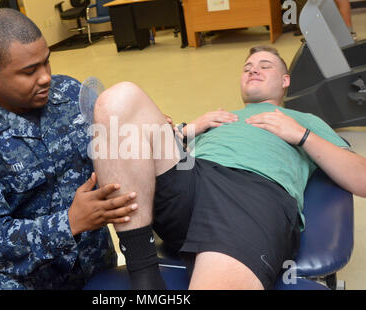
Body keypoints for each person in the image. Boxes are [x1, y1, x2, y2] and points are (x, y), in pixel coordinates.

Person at [91, 46, 366, 290]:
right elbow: (149, 156)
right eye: (247, 68)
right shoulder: (220, 118)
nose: (253, 70)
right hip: (195, 175)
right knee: (118, 100)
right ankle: (144, 275)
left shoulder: (304, 120)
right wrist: (187, 131)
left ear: (285, 81)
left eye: (264, 66)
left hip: (252, 191)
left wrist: (301, 135)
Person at [0, 8, 138, 290]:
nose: (46, 77)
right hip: (30, 280)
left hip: (95, 267)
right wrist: (68, 223)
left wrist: (171, 130)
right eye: (29, 71)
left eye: (46, 62)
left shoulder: (69, 94)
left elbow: (115, 143)